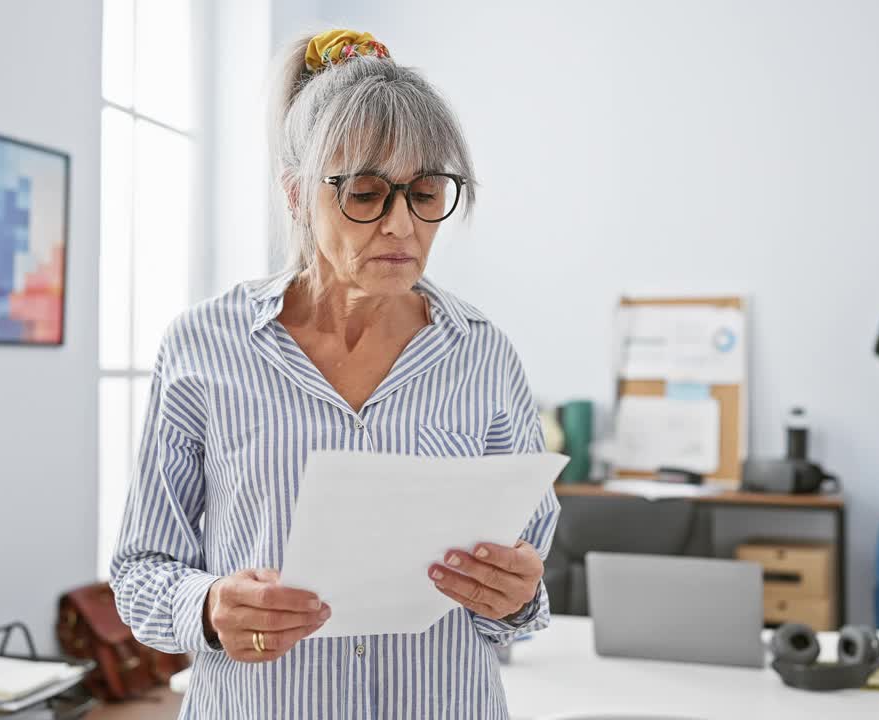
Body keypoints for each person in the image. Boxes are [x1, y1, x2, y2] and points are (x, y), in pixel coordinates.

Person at [110, 28, 560, 718]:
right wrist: (205, 608)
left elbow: (522, 594)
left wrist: (517, 597)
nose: (402, 227)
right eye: (366, 193)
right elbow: (141, 569)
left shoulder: (484, 355)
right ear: (295, 194)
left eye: (427, 191)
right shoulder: (204, 346)